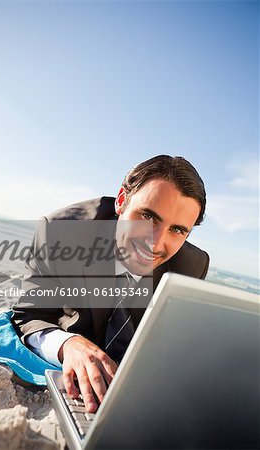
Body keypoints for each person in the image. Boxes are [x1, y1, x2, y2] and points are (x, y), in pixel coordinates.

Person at [12, 155, 209, 412]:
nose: (156, 243)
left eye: (178, 230)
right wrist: (67, 344)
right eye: (148, 217)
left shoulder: (191, 266)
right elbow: (29, 314)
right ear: (121, 200)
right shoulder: (61, 233)